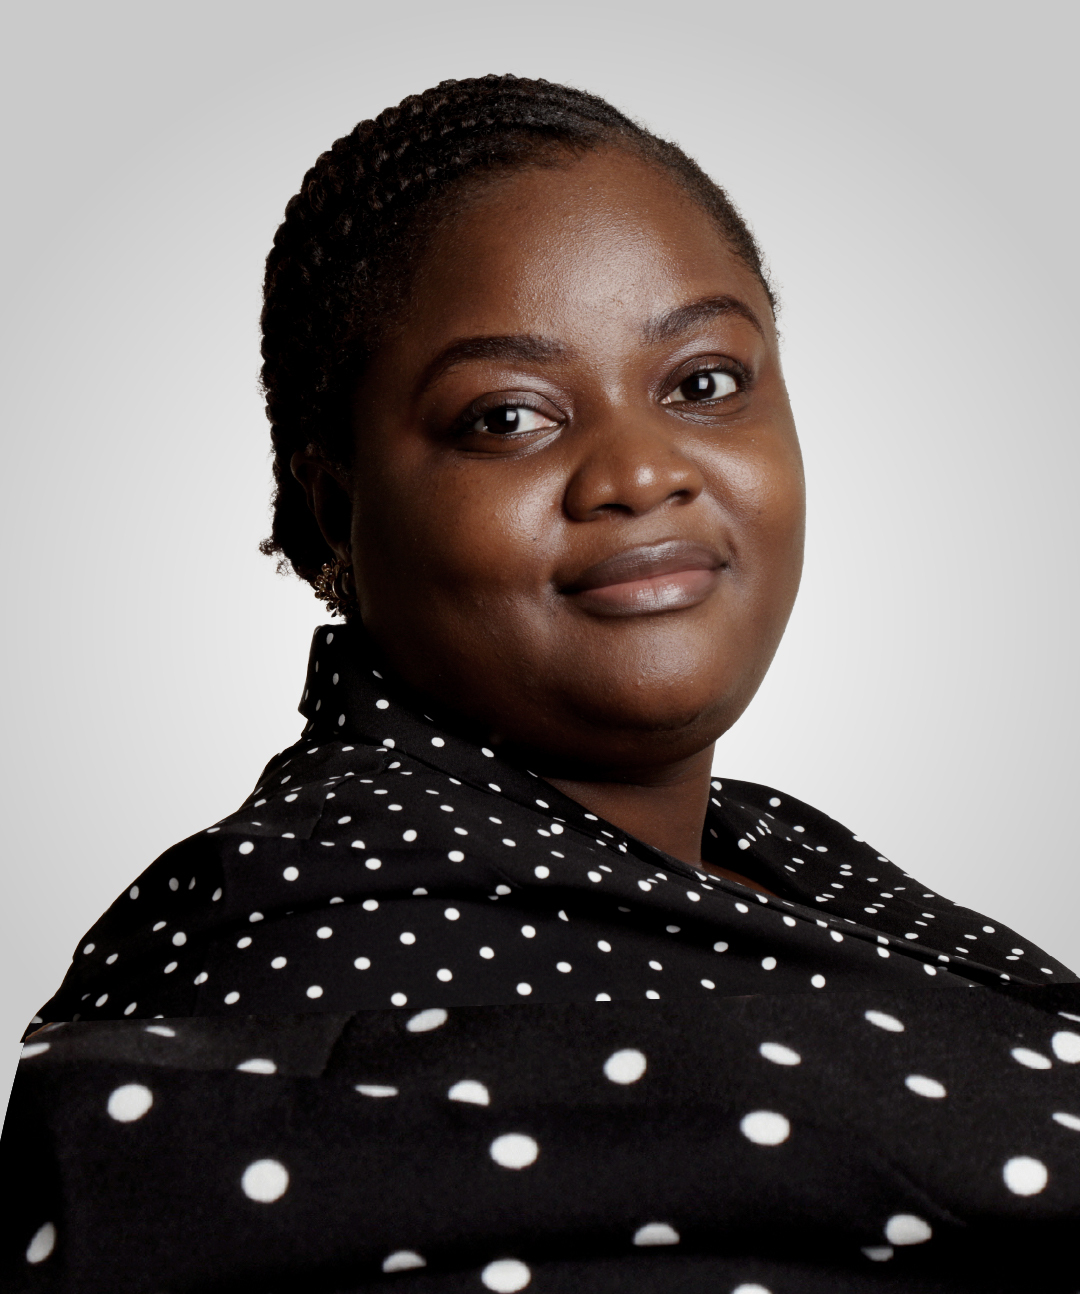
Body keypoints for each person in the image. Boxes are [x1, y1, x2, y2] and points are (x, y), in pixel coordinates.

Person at [4, 75, 1078, 1294]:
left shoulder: (801, 861)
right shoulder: (285, 950)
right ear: (335, 508)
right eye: (507, 417)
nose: (640, 472)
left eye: (703, 383)